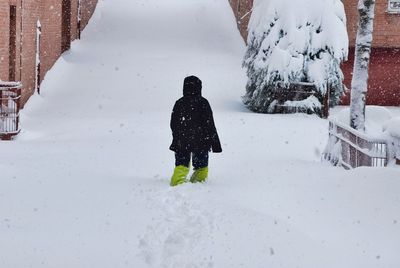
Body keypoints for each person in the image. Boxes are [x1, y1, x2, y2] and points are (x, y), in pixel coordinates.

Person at [169, 76, 222, 186]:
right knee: (201, 166)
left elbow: (173, 123)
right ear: (199, 88)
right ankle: (198, 184)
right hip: (201, 140)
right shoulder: (203, 102)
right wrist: (215, 143)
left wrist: (177, 136)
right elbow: (210, 124)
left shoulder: (179, 103)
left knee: (181, 164)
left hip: (182, 140)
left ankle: (177, 182)